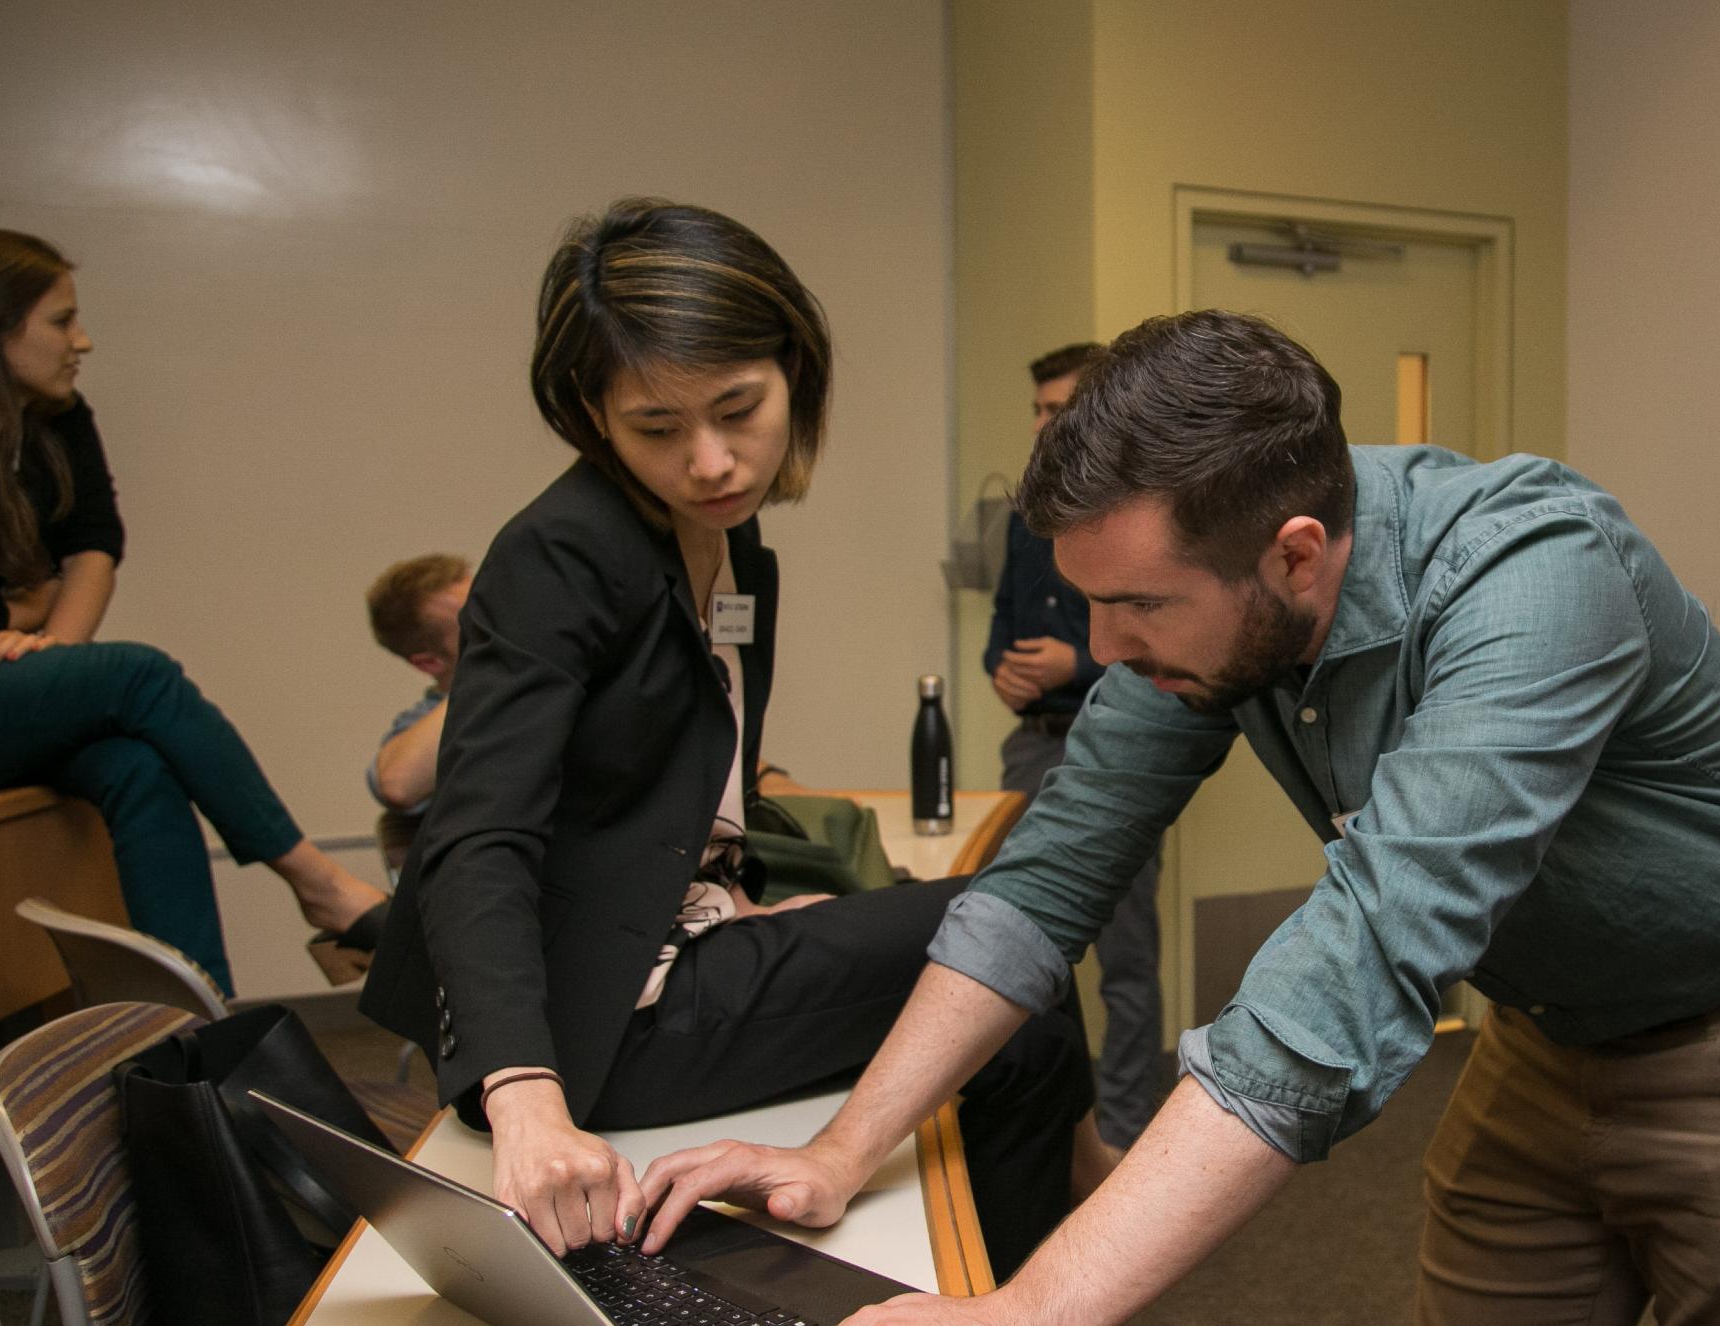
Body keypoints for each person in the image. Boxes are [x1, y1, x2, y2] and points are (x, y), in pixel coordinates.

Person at [637, 310, 1720, 1324]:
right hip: (1549, 1036)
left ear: (1295, 555)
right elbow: (1043, 884)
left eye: (1137, 607)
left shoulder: (1536, 574)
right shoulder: (1210, 623)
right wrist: (841, 1153)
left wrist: (1030, 1314)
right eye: (1090, 607)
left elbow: (1361, 963)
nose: (1105, 650)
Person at [357, 199, 1094, 1273]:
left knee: (1009, 1001)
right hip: (597, 1028)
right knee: (1008, 926)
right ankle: (1050, 1239)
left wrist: (736, 895)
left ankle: (1011, 1269)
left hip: (678, 949)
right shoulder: (557, 554)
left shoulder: (740, 553)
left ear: (795, 370)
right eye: (657, 428)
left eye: (738, 409)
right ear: (591, 416)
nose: (710, 461)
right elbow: (477, 836)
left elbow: (679, 786)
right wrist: (524, 1102)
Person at [0, 227, 388, 995]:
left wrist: (52, 647)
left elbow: (93, 546)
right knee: (138, 674)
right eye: (61, 321)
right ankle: (320, 884)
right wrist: (28, 625)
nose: (81, 340)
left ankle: (196, 1037)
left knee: (139, 767)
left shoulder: (57, 418)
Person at [984, 340, 1165, 1151]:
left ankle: (1124, 1133)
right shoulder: (1026, 519)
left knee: (1125, 961)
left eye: (1058, 410)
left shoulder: (1149, 517)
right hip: (1032, 746)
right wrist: (1004, 672)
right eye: (1037, 411)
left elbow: (1160, 637)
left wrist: (1075, 660)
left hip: (1117, 751)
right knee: (1016, 947)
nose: (1042, 425)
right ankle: (1054, 1130)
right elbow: (1000, 627)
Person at [363, 553, 469, 820]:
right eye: (476, 622)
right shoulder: (423, 720)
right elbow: (397, 784)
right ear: (429, 663)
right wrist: (491, 674)